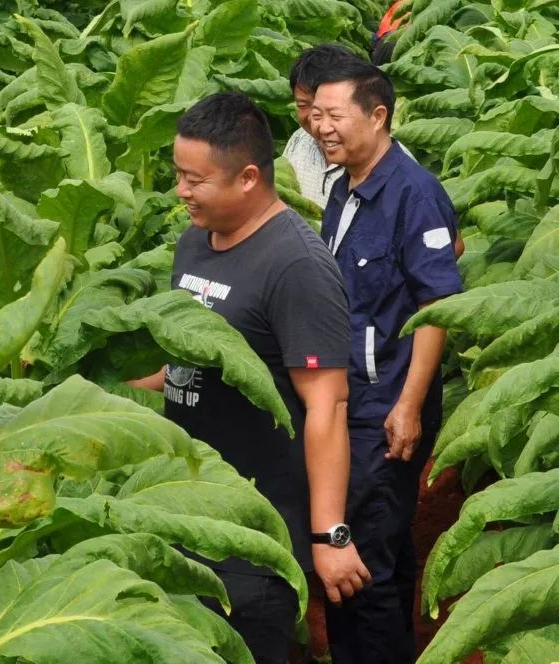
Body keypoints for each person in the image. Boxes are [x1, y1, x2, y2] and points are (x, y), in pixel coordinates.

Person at [130, 92, 371, 664]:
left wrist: (329, 535)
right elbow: (185, 360)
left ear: (247, 178)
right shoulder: (195, 242)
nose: (181, 191)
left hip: (256, 531)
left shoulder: (296, 266)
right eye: (178, 175)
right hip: (183, 507)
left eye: (195, 180)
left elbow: (328, 404)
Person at [309, 57, 463, 663]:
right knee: (384, 554)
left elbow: (437, 307)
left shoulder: (413, 194)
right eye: (316, 115)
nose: (322, 128)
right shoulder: (344, 187)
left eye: (335, 116)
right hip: (350, 401)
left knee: (361, 561)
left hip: (384, 409)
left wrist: (407, 406)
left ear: (378, 116)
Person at [282, 44, 359, 209]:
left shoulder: (381, 162)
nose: (313, 118)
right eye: (303, 105)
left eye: (327, 106)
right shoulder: (299, 141)